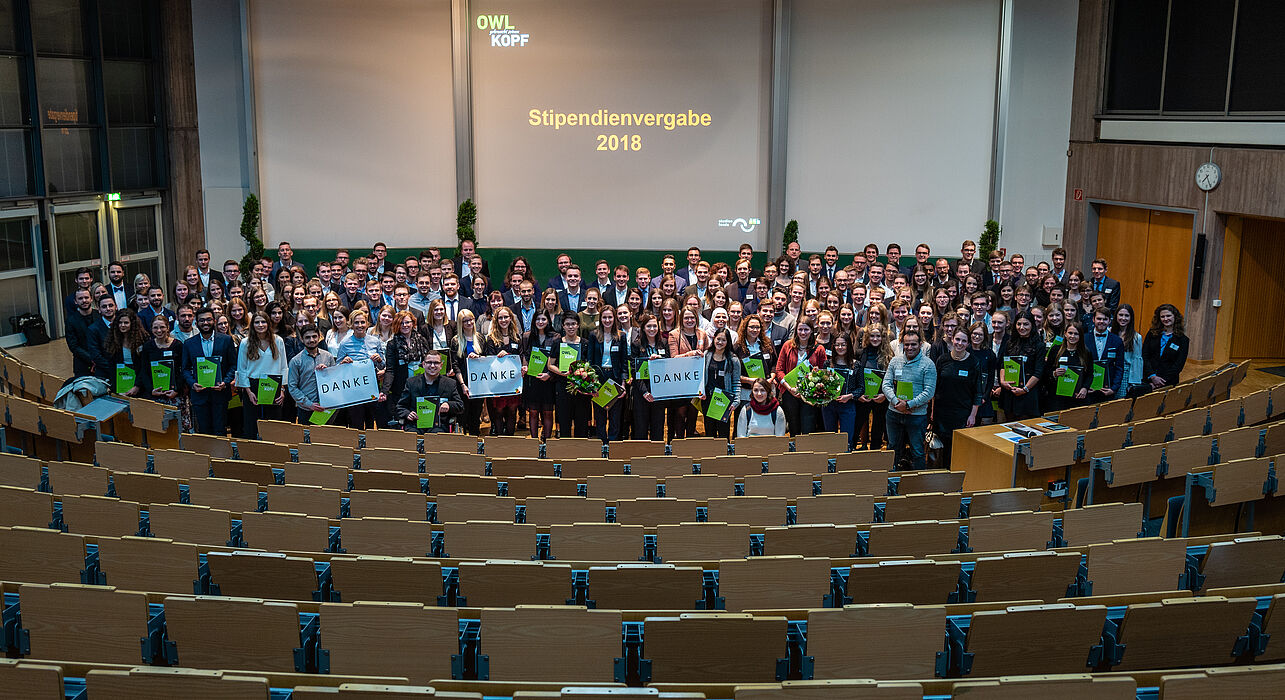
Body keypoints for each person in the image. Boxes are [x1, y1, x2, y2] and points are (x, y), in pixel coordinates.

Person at [881, 329, 936, 470]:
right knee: (893, 448)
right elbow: (886, 385)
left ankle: (918, 486)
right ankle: (891, 480)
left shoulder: (928, 365)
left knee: (917, 451)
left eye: (913, 344)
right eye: (906, 344)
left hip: (916, 416)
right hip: (893, 414)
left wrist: (909, 405)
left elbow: (929, 392)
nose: (910, 347)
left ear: (920, 345)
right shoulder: (895, 361)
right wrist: (896, 402)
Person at [931, 327, 983, 468]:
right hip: (942, 414)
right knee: (942, 451)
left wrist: (973, 415)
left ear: (968, 343)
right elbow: (935, 388)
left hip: (962, 414)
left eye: (964, 341)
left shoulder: (974, 362)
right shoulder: (942, 360)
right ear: (952, 339)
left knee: (958, 451)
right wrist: (932, 413)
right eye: (957, 339)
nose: (960, 343)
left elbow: (978, 392)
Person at [181, 307, 237, 435]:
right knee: (204, 432)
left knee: (220, 430)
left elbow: (234, 365)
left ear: (214, 321)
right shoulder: (189, 343)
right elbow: (184, 369)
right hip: (199, 394)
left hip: (220, 394)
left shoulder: (226, 340)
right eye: (201, 320)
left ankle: (221, 456)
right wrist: (192, 383)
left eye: (208, 320)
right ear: (196, 323)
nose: (205, 323)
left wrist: (225, 382)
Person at [236, 311, 288, 438]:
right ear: (252, 325)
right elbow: (241, 369)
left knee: (273, 425)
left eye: (263, 321)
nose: (260, 325)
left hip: (273, 384)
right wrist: (248, 392)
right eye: (257, 322)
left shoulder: (278, 341)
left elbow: (283, 366)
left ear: (268, 323)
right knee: (251, 425)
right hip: (252, 386)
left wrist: (282, 389)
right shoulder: (245, 342)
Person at [774, 318, 827, 436]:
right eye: (800, 329)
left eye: (806, 329)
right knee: (793, 427)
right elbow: (779, 370)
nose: (803, 333)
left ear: (812, 330)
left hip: (810, 395)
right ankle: (794, 453)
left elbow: (824, 373)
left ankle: (807, 453)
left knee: (808, 427)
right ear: (796, 330)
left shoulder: (819, 349)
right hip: (790, 393)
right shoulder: (787, 346)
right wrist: (789, 388)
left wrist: (817, 376)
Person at [336, 310, 387, 429]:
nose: (360, 325)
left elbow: (382, 365)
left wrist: (379, 360)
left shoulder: (375, 341)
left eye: (362, 322)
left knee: (371, 421)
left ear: (367, 324)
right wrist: (344, 362)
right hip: (354, 390)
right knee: (356, 422)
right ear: (351, 325)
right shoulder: (345, 343)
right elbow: (337, 366)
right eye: (356, 323)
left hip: (372, 387)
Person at [396, 349, 464, 433]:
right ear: (423, 364)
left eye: (436, 363)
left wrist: (449, 405)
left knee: (436, 438)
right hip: (415, 425)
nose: (432, 366)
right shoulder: (411, 382)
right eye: (429, 362)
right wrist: (407, 414)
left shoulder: (450, 383)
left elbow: (460, 406)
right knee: (411, 437)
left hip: (439, 426)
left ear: (441, 365)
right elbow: (400, 407)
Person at [382, 310, 432, 426]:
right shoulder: (392, 344)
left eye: (407, 322)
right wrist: (385, 390)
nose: (405, 325)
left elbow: (428, 361)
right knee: (405, 419)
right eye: (402, 323)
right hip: (402, 387)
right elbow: (390, 370)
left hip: (421, 385)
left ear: (413, 323)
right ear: (397, 325)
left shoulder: (422, 340)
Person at [586, 304, 628, 441]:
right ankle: (602, 443)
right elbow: (590, 360)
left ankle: (613, 443)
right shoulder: (593, 335)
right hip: (599, 377)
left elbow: (623, 361)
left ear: (614, 318)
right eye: (604, 317)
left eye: (610, 317)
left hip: (615, 377)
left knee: (615, 415)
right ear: (601, 318)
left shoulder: (621, 336)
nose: (607, 320)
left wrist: (623, 382)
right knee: (600, 414)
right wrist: (591, 383)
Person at [668, 307, 710, 438]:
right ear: (681, 319)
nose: (689, 320)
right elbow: (673, 358)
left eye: (692, 317)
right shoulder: (674, 334)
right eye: (686, 318)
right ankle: (679, 443)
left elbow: (708, 354)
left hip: (697, 382)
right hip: (680, 382)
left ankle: (690, 443)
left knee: (693, 414)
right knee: (680, 415)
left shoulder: (702, 333)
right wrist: (690, 354)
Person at [482, 306, 524, 436]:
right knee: (498, 411)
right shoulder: (491, 338)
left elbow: (521, 357)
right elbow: (488, 360)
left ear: (511, 318)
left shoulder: (517, 337)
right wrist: (498, 357)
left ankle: (510, 439)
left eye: (506, 317)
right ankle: (500, 440)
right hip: (498, 384)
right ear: (496, 320)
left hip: (513, 383)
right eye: (500, 317)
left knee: (512, 411)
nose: (503, 320)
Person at [549, 312, 590, 438]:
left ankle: (580, 450)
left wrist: (582, 372)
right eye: (567, 324)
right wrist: (563, 373)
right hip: (563, 386)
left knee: (581, 421)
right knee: (564, 420)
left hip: (581, 387)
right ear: (563, 326)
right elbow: (550, 365)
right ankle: (565, 450)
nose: (570, 327)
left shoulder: (585, 343)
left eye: (573, 324)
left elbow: (589, 364)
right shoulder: (557, 343)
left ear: (578, 325)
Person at [630, 311, 670, 441]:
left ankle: (657, 457)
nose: (652, 329)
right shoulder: (637, 344)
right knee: (641, 427)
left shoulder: (663, 343)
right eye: (648, 326)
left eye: (654, 326)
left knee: (658, 427)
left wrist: (661, 360)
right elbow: (635, 371)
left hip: (659, 391)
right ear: (643, 328)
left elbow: (669, 365)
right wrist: (645, 392)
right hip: (642, 392)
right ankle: (641, 457)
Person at [998, 311, 1045, 420]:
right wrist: (1002, 381)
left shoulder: (1039, 345)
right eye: (1019, 324)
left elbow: (1038, 372)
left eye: (1026, 324)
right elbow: (1002, 364)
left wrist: (1024, 389)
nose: (1022, 327)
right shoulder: (1010, 343)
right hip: (1010, 391)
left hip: (1028, 393)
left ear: (1032, 325)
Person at [287, 325, 336, 423]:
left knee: (326, 437)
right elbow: (292, 387)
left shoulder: (328, 357)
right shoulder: (295, 361)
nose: (311, 340)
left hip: (327, 408)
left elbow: (335, 380)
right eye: (307, 337)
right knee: (307, 437)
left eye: (314, 336)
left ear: (319, 337)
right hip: (306, 409)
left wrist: (328, 371)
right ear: (302, 339)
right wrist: (309, 404)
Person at [523, 308, 559, 441]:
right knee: (533, 412)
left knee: (548, 412)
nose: (540, 321)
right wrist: (525, 367)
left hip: (548, 381)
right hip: (532, 380)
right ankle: (533, 441)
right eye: (537, 319)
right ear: (534, 321)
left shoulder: (555, 337)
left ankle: (547, 442)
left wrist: (549, 374)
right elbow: (525, 355)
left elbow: (558, 360)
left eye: (543, 319)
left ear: (548, 321)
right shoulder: (527, 336)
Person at [701, 327, 742, 439]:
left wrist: (736, 401)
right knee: (709, 431)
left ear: (728, 342)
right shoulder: (706, 355)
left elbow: (736, 381)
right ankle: (711, 455)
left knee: (723, 433)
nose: (720, 342)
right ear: (714, 339)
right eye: (718, 339)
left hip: (724, 400)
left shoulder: (733, 359)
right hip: (707, 399)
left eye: (723, 340)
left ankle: (724, 455)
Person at [820, 332, 858, 449]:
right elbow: (823, 384)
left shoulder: (855, 365)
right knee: (830, 438)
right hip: (829, 405)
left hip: (848, 405)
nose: (840, 348)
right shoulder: (827, 363)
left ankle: (846, 463)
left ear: (848, 346)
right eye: (837, 345)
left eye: (843, 345)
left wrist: (849, 396)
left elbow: (861, 388)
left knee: (847, 439)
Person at [139, 315, 184, 414]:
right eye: (155, 327)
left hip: (175, 395)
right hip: (154, 396)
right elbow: (144, 371)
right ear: (151, 329)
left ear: (168, 327)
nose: (159, 330)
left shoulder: (178, 345)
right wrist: (151, 390)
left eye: (162, 327)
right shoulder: (147, 347)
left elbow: (183, 369)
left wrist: (177, 390)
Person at [99, 308, 147, 396]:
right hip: (121, 381)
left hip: (139, 382)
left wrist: (137, 386)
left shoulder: (142, 340)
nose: (122, 325)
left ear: (132, 324)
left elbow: (144, 367)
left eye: (126, 323)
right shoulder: (113, 341)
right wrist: (116, 388)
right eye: (120, 323)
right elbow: (112, 367)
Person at [1046, 321, 1091, 413]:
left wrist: (1085, 388)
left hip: (1077, 398)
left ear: (1080, 336)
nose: (1072, 336)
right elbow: (1046, 371)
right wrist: (1054, 373)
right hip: (1057, 398)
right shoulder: (1055, 350)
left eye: (1076, 334)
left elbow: (1090, 374)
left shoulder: (1086, 352)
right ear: (1065, 333)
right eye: (1070, 333)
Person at [1142, 303, 1189, 390]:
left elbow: (1178, 365)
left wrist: (1161, 382)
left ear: (1175, 317)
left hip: (1168, 382)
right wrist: (1152, 376)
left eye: (1168, 316)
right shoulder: (1152, 333)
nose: (1165, 319)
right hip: (1148, 379)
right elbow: (1145, 355)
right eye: (1162, 317)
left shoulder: (1183, 340)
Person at [1085, 308, 1124, 403]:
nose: (1102, 321)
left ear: (1109, 321)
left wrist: (1114, 388)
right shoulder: (1084, 339)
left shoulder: (1117, 341)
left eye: (1105, 319)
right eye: (1099, 319)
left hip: (1107, 390)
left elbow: (1119, 367)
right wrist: (1084, 386)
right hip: (1088, 390)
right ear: (1093, 319)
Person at [65, 287, 100, 378]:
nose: (84, 300)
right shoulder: (71, 321)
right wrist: (91, 358)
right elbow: (73, 346)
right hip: (82, 365)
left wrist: (99, 358)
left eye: (86, 297)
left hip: (102, 362)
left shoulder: (100, 315)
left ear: (91, 299)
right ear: (75, 301)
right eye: (80, 298)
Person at [1113, 304, 1144, 397]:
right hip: (1110, 371)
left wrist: (1133, 383)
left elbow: (1136, 361)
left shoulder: (1136, 337)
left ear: (1131, 318)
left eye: (1127, 316)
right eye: (1121, 315)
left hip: (1125, 375)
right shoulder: (1110, 331)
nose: (1123, 318)